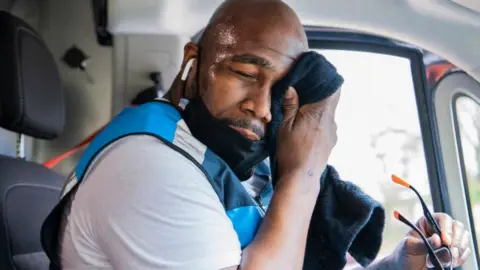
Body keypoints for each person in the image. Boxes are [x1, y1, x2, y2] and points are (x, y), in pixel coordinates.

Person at [49, 0, 471, 269]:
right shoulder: (145, 170)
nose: (262, 108)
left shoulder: (246, 172)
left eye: (283, 91)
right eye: (245, 73)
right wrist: (303, 176)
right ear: (194, 66)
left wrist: (406, 261)